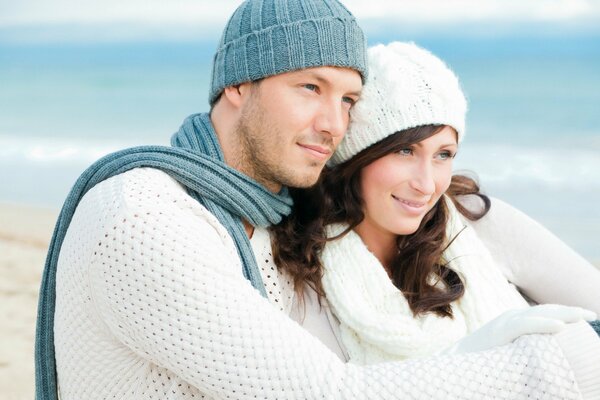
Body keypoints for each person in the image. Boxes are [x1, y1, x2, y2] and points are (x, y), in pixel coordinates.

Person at [35, 1, 599, 398]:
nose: (332, 123)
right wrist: (556, 363)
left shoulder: (269, 218)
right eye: (310, 87)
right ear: (238, 84)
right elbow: (326, 393)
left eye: (349, 98)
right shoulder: (144, 217)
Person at [272, 41, 600, 369]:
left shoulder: (480, 222)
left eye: (443, 155)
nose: (426, 184)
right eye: (405, 151)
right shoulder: (303, 272)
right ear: (354, 159)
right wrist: (472, 358)